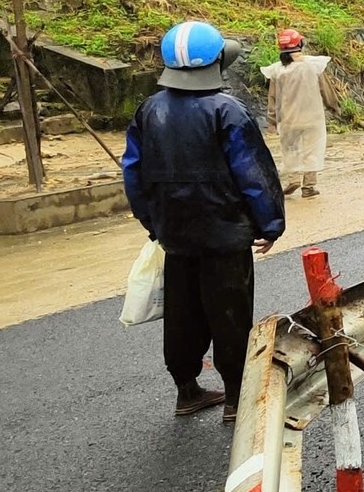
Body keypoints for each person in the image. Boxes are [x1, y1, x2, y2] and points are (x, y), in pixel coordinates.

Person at [121, 21, 285, 422]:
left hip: (174, 235)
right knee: (229, 312)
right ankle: (233, 398)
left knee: (183, 312)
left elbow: (133, 172)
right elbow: (253, 174)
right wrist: (270, 224)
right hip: (224, 234)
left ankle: (187, 390)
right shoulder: (228, 110)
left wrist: (152, 222)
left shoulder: (150, 109)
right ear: (215, 62)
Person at [262, 28, 336, 198]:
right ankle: (308, 186)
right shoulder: (314, 65)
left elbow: (273, 98)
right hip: (312, 118)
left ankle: (293, 179)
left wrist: (272, 120)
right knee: (312, 150)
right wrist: (333, 106)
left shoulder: (277, 70)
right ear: (300, 44)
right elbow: (327, 91)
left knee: (291, 149)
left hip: (288, 120)